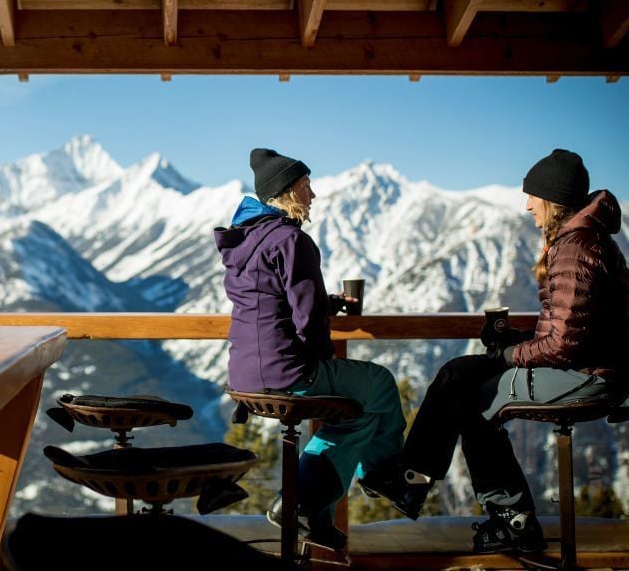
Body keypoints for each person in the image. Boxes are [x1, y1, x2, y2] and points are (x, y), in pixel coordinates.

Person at [360, 148, 628, 554]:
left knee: (473, 401)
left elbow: (563, 344)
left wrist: (507, 356)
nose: (527, 206)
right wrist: (517, 341)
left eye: (533, 197)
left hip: (590, 376)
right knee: (458, 372)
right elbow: (570, 330)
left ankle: (510, 520)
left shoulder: (575, 247)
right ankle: (412, 478)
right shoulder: (582, 241)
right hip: (588, 367)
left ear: (552, 200)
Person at [214, 147, 407, 551]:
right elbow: (307, 319)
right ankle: (383, 476)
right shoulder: (292, 239)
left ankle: (304, 512)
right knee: (380, 385)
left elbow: (272, 300)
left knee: (357, 418)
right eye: (305, 186)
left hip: (245, 375)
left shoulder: (246, 242)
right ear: (286, 192)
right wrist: (320, 356)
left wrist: (325, 302)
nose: (313, 194)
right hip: (288, 372)